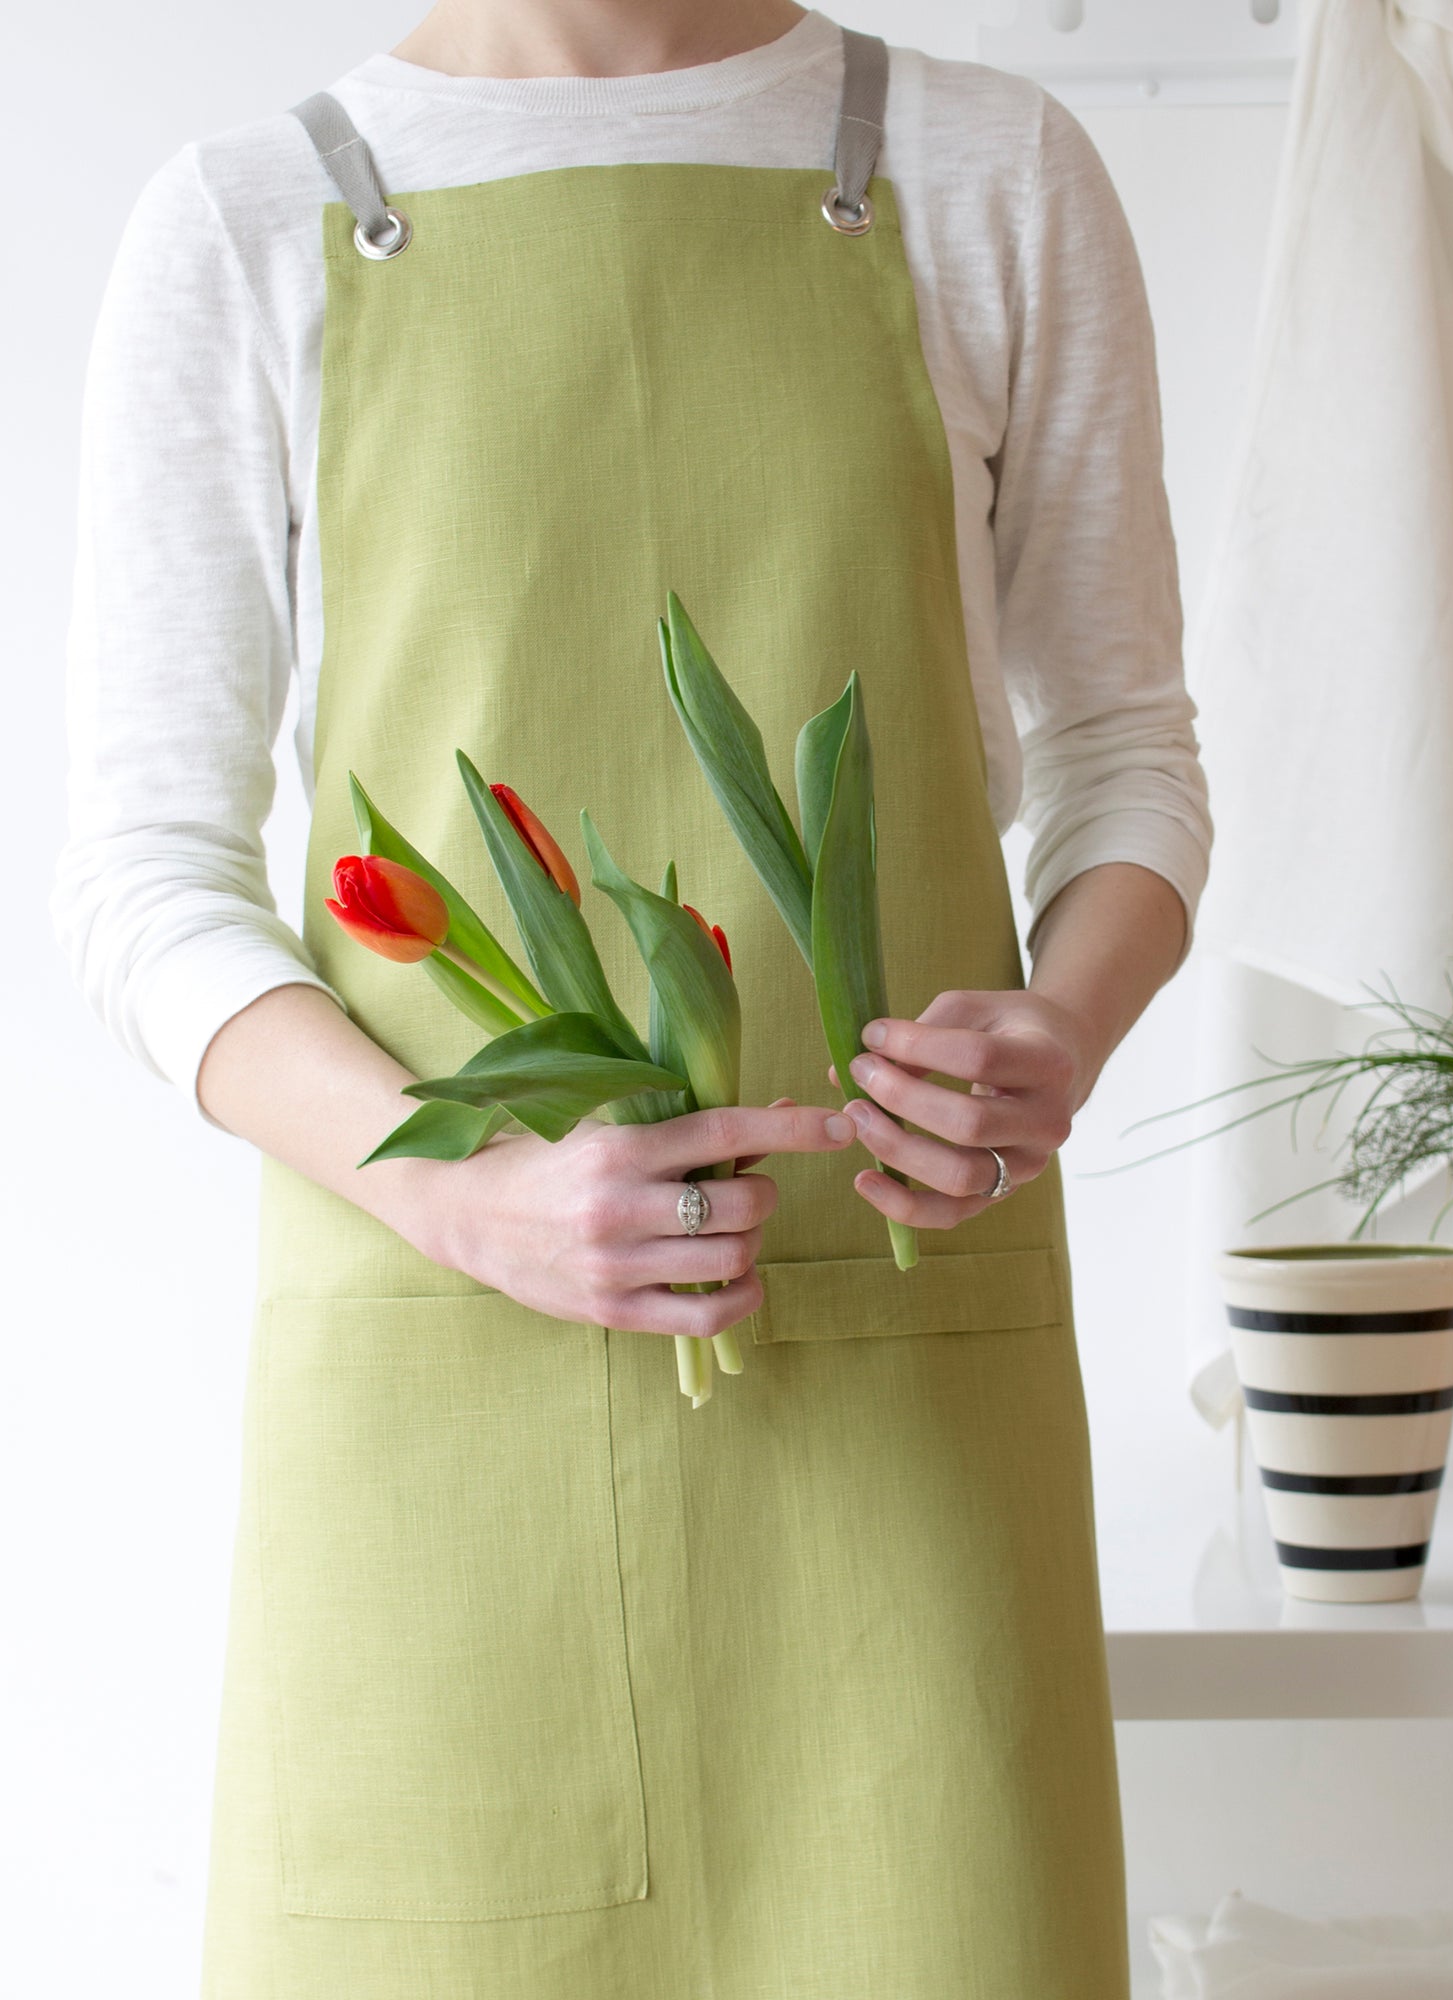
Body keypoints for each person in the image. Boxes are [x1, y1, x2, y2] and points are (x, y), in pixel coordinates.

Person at [52, 3, 1211, 1994]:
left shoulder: (986, 174)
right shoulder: (250, 219)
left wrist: (1067, 1023)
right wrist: (450, 1190)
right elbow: (144, 876)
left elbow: (1126, 752)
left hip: (902, 1427)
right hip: (445, 1438)